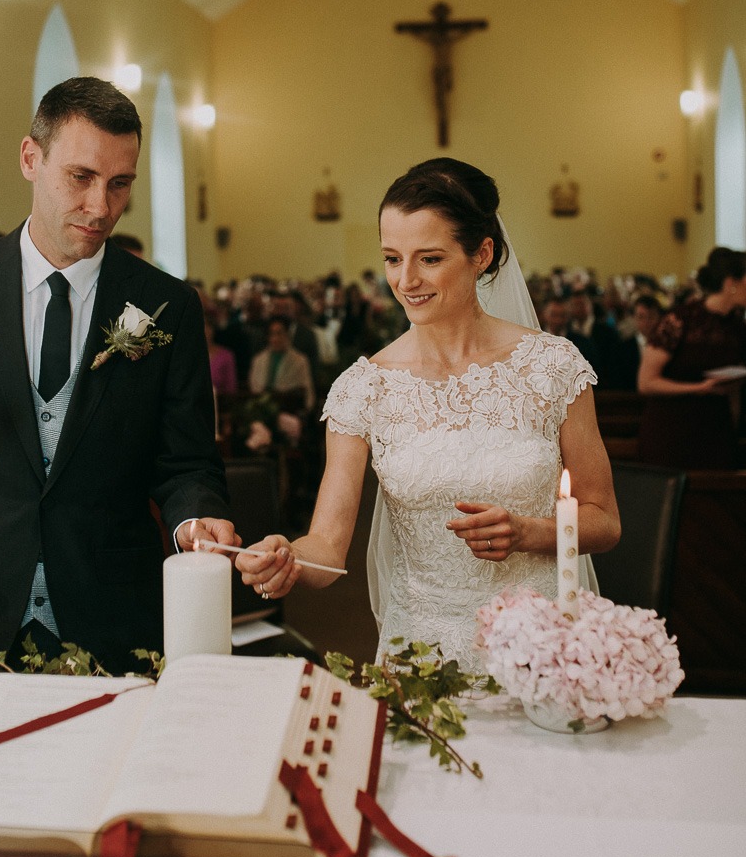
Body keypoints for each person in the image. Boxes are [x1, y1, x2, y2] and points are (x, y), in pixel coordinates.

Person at [0, 77, 236, 671]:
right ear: (30, 159)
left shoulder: (167, 306)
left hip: (113, 605)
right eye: (81, 178)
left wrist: (196, 519)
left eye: (120, 185)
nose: (101, 207)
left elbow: (186, 462)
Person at [236, 158, 620, 669]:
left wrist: (529, 533)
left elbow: (604, 520)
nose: (406, 280)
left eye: (430, 259)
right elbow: (328, 547)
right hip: (423, 651)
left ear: (481, 254)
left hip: (539, 642)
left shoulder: (551, 366)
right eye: (392, 259)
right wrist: (289, 556)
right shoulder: (364, 388)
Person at [637, 247, 746, 469]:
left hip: (716, 432)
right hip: (673, 430)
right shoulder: (680, 320)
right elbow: (646, 383)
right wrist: (699, 388)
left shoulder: (737, 326)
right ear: (730, 283)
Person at [248, 317, 315, 411]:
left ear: (287, 335)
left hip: (289, 408)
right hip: (262, 407)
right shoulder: (258, 360)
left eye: (279, 333)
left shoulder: (299, 360)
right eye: (272, 334)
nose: (275, 338)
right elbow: (254, 387)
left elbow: (306, 390)